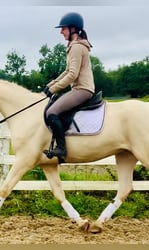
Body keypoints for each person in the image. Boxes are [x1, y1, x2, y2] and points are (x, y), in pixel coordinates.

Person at [43, 12, 95, 159]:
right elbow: (67, 71)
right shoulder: (74, 46)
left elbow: (72, 75)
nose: (61, 32)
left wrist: (54, 89)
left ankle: (61, 148)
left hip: (82, 89)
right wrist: (51, 84)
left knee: (51, 112)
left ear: (73, 29)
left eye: (63, 28)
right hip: (79, 88)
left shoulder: (77, 47)